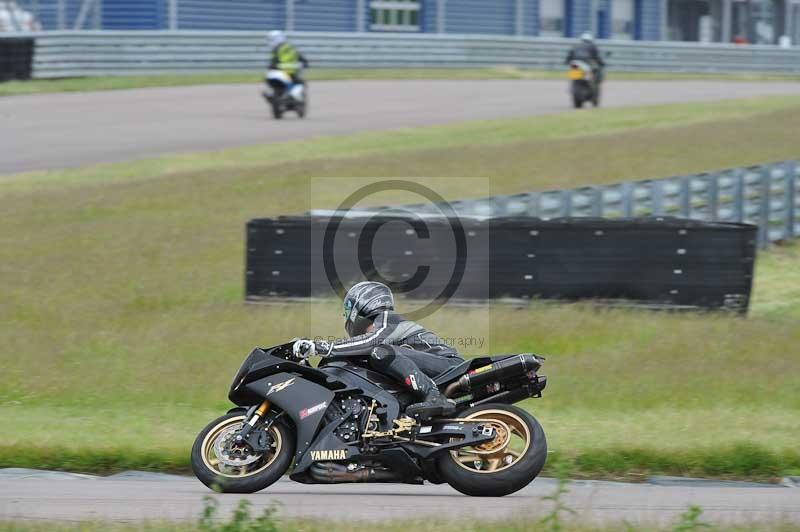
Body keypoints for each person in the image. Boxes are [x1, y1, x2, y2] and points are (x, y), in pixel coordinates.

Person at [296, 281, 461, 420]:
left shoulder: (387, 319)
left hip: (449, 366)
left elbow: (371, 342)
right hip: (437, 370)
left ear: (361, 304)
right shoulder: (382, 331)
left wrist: (321, 347)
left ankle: (433, 396)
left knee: (381, 352)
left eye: (347, 311)